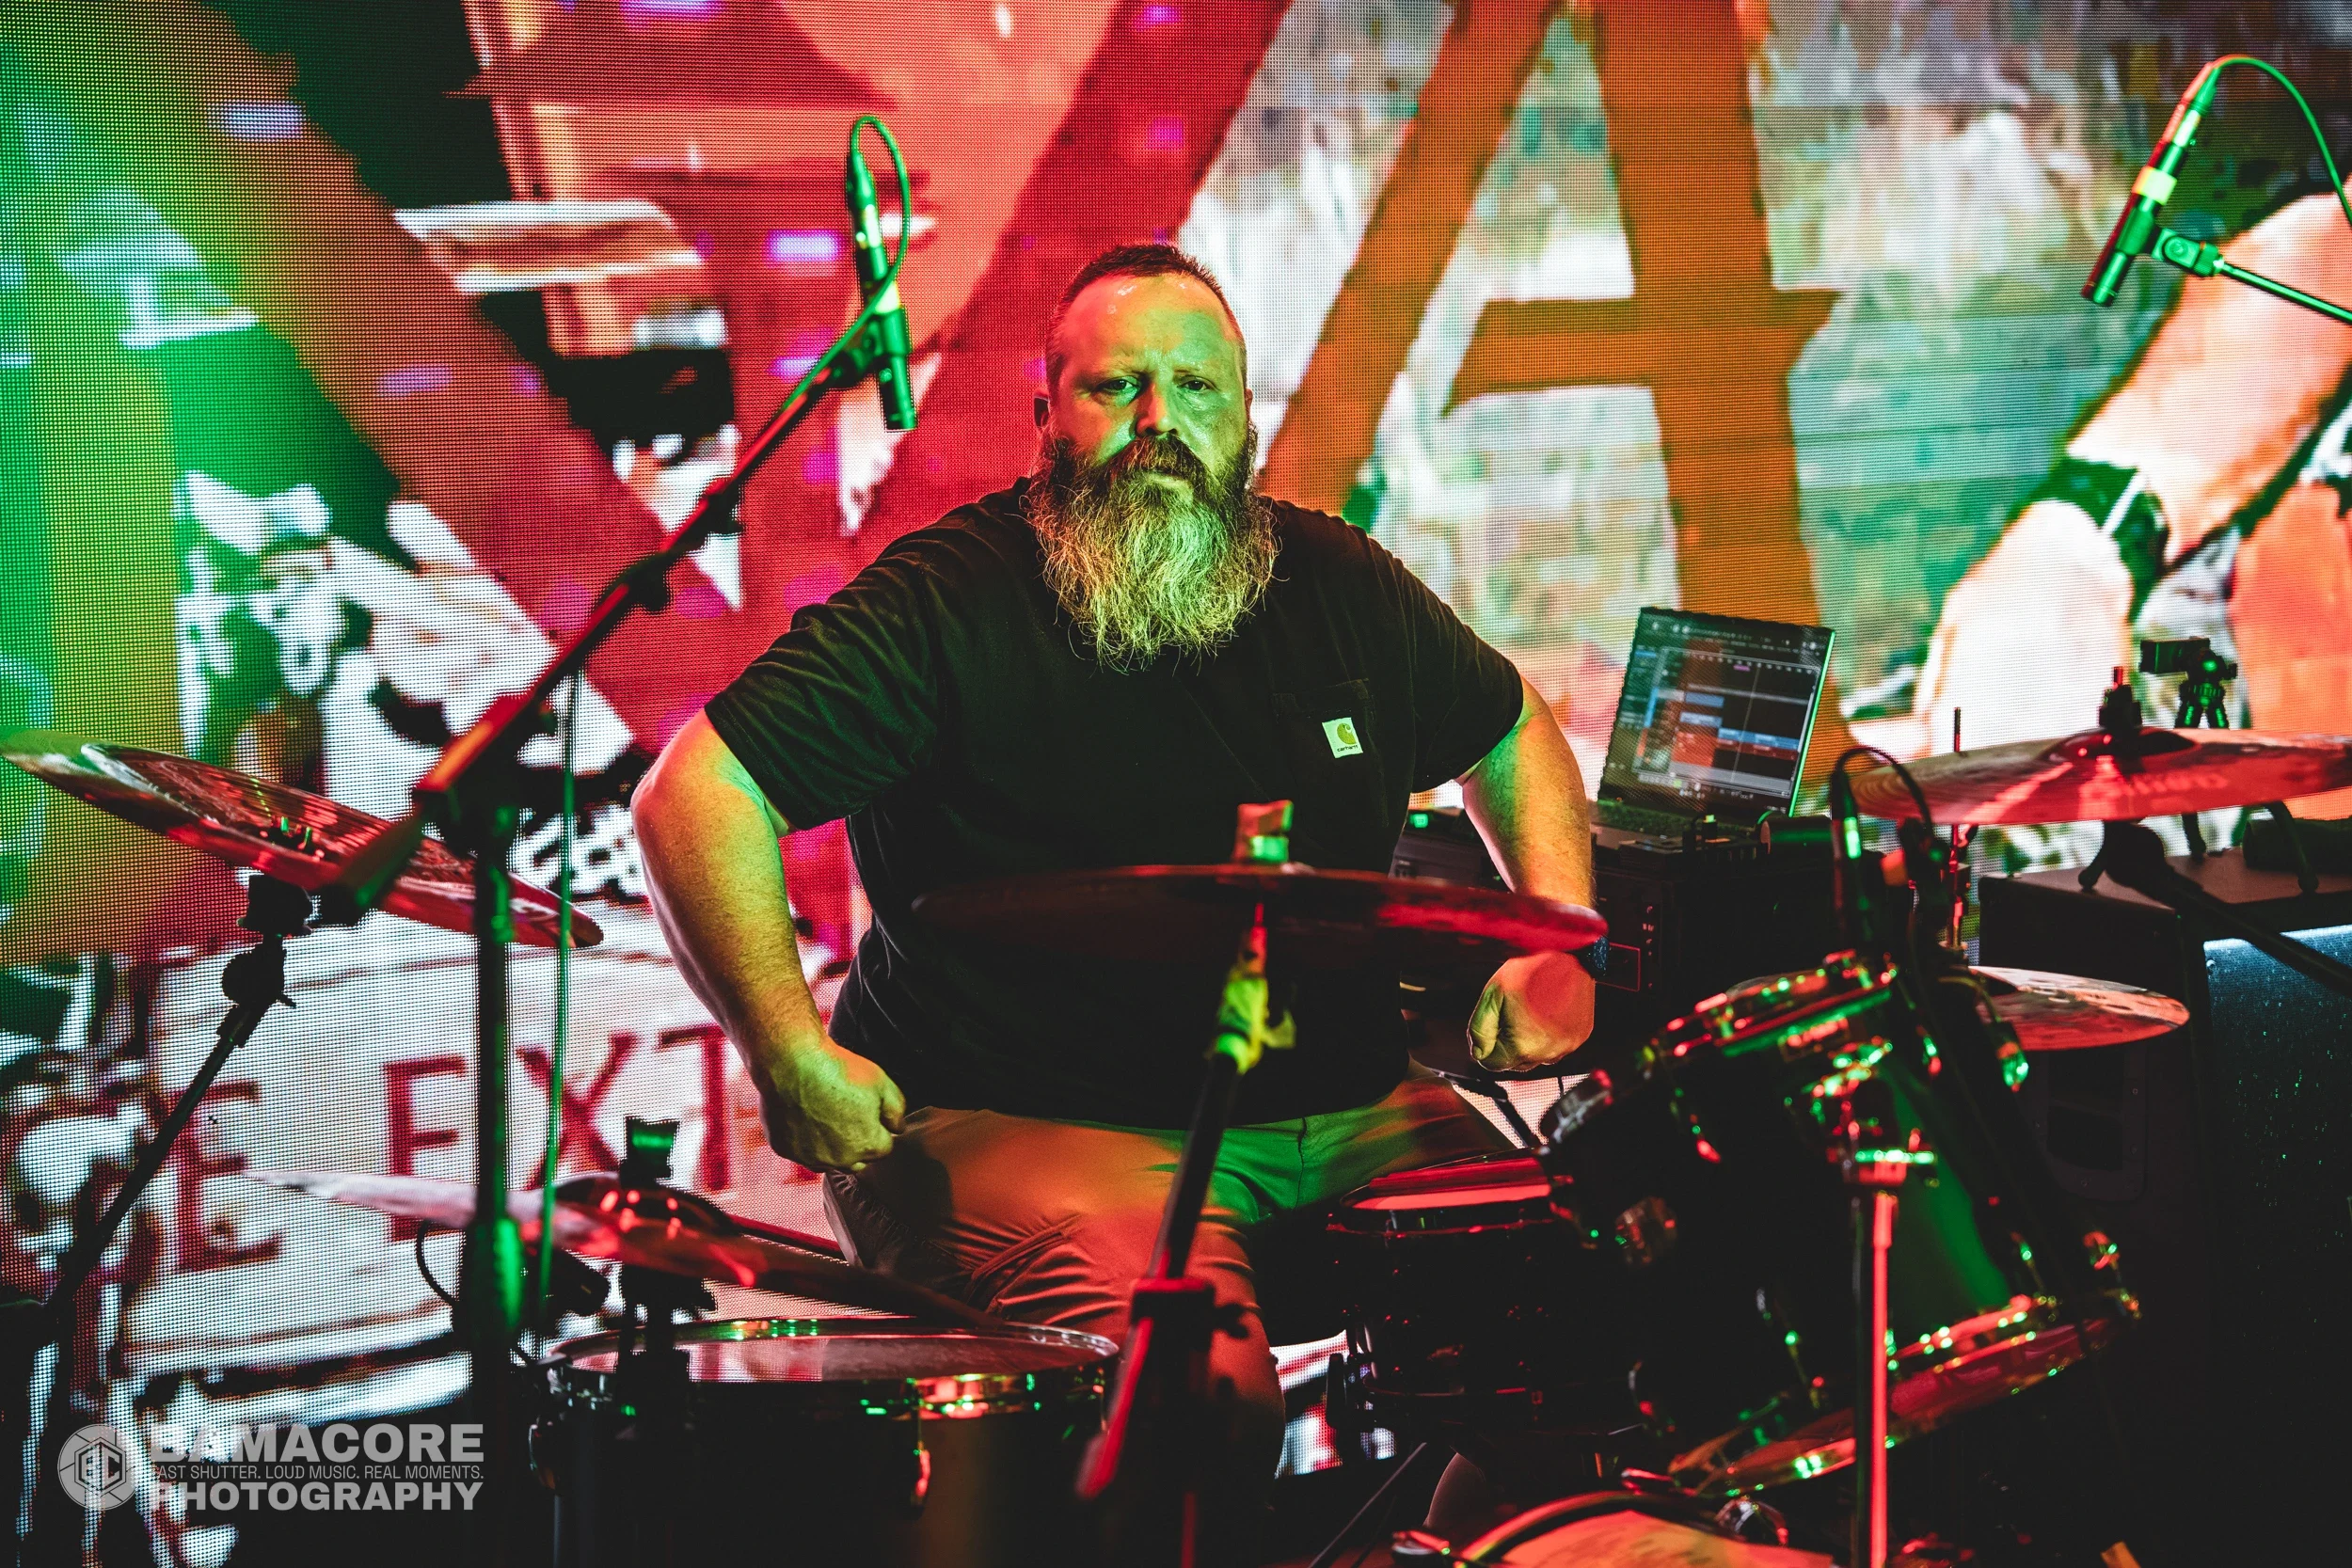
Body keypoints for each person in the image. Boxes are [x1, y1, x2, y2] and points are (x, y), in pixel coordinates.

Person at [630, 243, 1600, 1556]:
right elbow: (695, 794)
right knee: (1196, 1407)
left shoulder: (1337, 584)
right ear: (1045, 415)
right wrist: (782, 1045)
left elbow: (1508, 729)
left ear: (1245, 419)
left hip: (1349, 1105)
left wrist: (1555, 939)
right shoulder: (948, 601)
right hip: (1024, 1113)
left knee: (1585, 1344)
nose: (1161, 426)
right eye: (1119, 388)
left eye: (1197, 390)